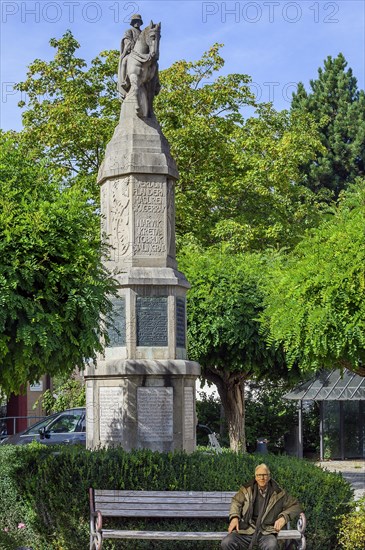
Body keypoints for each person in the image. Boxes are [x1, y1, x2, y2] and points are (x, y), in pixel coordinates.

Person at [221, 463, 302, 550]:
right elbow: (236, 502)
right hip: (247, 529)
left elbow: (296, 506)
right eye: (259, 475)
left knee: (272, 546)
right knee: (227, 542)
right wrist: (234, 517)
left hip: (267, 532)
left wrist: (283, 517)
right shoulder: (246, 490)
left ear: (269, 476)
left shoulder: (279, 493)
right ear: (255, 477)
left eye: (264, 475)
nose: (262, 478)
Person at [118, 14, 143, 97]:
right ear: (132, 23)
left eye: (138, 21)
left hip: (143, 54)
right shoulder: (129, 31)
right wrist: (131, 45)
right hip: (132, 52)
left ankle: (156, 83)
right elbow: (126, 40)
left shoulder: (143, 33)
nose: (137, 23)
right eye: (135, 21)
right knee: (125, 61)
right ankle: (124, 81)